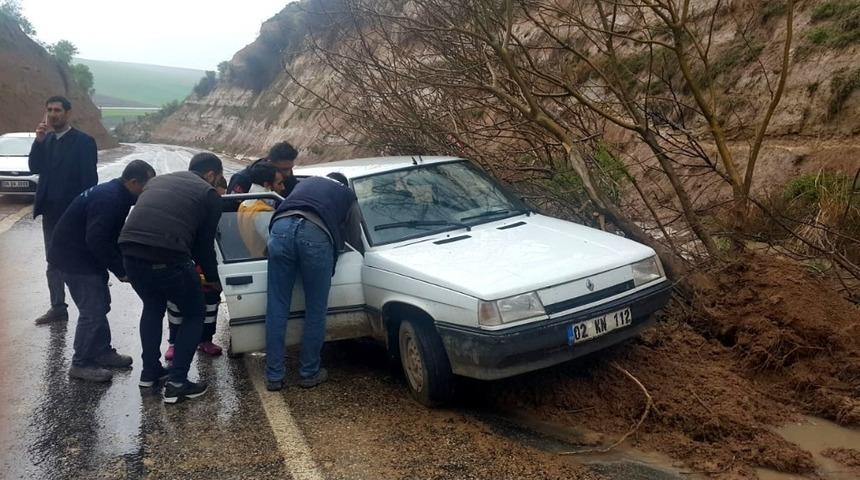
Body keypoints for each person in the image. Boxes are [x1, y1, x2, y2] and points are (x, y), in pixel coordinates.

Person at [119, 153, 224, 404]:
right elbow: (203, 247)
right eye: (217, 178)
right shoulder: (208, 194)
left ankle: (150, 373)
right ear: (211, 175)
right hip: (169, 255)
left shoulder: (158, 181)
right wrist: (213, 279)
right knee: (195, 313)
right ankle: (178, 382)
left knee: (153, 306)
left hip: (130, 252)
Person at [47, 160, 156, 382]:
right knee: (92, 311)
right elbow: (97, 239)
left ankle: (102, 351)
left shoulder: (119, 195)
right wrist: (120, 270)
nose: (148, 192)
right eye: (147, 186)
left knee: (101, 304)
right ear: (134, 182)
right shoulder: (110, 199)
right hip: (74, 258)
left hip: (84, 255)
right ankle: (80, 364)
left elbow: (110, 236)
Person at [264, 172, 363, 392]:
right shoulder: (347, 195)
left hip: (279, 228)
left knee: (277, 306)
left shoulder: (305, 183)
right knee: (315, 309)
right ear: (343, 184)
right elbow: (354, 238)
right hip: (315, 234)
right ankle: (309, 372)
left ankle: (274, 376)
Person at [29, 95, 98, 325]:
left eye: (57, 110)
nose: (53, 114)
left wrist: (85, 211)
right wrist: (38, 141)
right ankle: (58, 306)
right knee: (53, 260)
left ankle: (90, 308)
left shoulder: (83, 142)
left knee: (76, 260)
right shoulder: (46, 141)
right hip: (50, 213)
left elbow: (90, 180)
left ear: (68, 113)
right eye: (49, 110)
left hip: (73, 213)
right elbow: (34, 167)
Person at [164, 175, 230, 361]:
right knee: (175, 306)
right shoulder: (189, 207)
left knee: (210, 306)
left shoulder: (219, 211)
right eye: (217, 197)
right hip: (182, 262)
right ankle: (174, 343)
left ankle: (205, 340)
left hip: (207, 267)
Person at [237, 162, 285, 258]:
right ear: (267, 185)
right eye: (279, 183)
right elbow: (279, 245)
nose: (283, 187)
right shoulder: (263, 212)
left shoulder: (244, 204)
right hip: (264, 261)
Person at [227, 141, 298, 197]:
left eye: (290, 169)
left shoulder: (289, 179)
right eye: (284, 169)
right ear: (270, 162)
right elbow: (229, 209)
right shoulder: (243, 179)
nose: (288, 174)